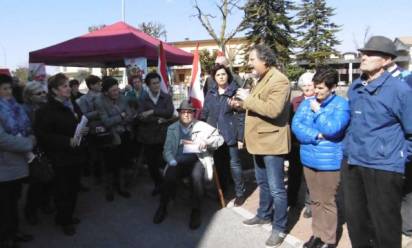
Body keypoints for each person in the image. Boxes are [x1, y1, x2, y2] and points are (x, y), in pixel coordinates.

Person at [342, 36, 412, 248]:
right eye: (363, 53)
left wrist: (398, 156)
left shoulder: (401, 91)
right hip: (353, 162)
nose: (364, 57)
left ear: (386, 60)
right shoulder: (355, 87)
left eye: (371, 54)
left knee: (385, 225)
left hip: (383, 167)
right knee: (356, 222)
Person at [232, 44, 291, 248]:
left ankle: (279, 227)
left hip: (272, 143)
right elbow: (258, 105)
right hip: (259, 142)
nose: (249, 64)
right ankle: (264, 215)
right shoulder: (262, 79)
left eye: (251, 60)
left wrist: (248, 99)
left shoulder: (280, 80)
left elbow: (273, 110)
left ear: (264, 60)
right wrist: (241, 104)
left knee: (277, 189)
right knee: (263, 183)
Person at [292, 68, 350, 248]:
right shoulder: (306, 102)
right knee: (315, 200)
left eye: (321, 88)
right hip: (309, 159)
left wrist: (318, 112)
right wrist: (317, 136)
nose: (316, 92)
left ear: (332, 87)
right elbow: (296, 125)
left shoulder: (341, 104)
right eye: (315, 87)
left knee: (327, 201)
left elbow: (333, 129)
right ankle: (317, 234)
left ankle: (329, 239)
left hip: (329, 162)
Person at [153, 100, 224, 229]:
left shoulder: (202, 126)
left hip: (198, 159)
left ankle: (196, 210)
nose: (186, 115)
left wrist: (207, 142)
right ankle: (162, 206)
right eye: (183, 112)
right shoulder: (172, 128)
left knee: (196, 177)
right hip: (178, 160)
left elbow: (220, 139)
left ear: (194, 114)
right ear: (179, 114)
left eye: (189, 112)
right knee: (169, 176)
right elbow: (167, 150)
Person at [34, 73, 89, 236]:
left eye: (68, 85)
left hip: (76, 154)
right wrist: (66, 141)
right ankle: (64, 220)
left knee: (73, 189)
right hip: (60, 158)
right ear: (54, 91)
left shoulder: (71, 104)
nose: (69, 88)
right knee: (62, 191)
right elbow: (43, 135)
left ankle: (67, 216)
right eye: (64, 86)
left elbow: (80, 121)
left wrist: (84, 129)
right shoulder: (45, 110)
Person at [201, 63, 246, 206]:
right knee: (220, 165)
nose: (221, 77)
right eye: (218, 75)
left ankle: (240, 193)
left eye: (223, 74)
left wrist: (240, 137)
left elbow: (241, 116)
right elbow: (205, 113)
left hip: (230, 134)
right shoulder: (210, 93)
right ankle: (224, 190)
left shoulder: (235, 92)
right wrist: (202, 130)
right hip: (215, 136)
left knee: (234, 165)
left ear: (228, 75)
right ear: (214, 78)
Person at [0, 74, 35, 248]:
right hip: (4, 164)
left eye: (9, 88)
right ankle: (7, 237)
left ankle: (14, 232)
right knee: (5, 204)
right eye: (4, 88)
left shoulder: (15, 106)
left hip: (18, 161)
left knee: (13, 200)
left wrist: (31, 135)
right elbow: (2, 139)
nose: (8, 92)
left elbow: (26, 126)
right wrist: (28, 143)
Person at [95, 76, 136, 201]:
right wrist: (121, 116)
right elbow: (106, 122)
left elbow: (130, 115)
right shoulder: (99, 101)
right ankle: (109, 190)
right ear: (106, 92)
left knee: (122, 163)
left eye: (117, 90)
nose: (116, 93)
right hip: (110, 137)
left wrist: (121, 118)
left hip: (124, 134)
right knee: (109, 165)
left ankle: (121, 188)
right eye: (113, 91)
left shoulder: (122, 98)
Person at [137, 72, 175, 195]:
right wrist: (158, 118)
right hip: (148, 137)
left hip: (164, 136)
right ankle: (158, 185)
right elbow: (142, 117)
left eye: (158, 82)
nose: (156, 85)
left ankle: (168, 185)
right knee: (152, 164)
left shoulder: (166, 97)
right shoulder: (143, 98)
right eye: (153, 83)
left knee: (165, 162)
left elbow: (169, 112)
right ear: (148, 85)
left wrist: (152, 111)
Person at [22, 81, 53, 225]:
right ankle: (30, 211)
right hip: (34, 149)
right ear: (29, 96)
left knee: (48, 177)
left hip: (47, 146)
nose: (43, 95)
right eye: (39, 93)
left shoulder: (46, 106)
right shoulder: (25, 110)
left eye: (43, 92)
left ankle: (45, 203)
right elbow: (25, 131)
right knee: (36, 182)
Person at [287, 71, 315, 217]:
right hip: (296, 144)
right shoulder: (295, 101)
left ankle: (309, 203)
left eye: (310, 84)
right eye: (304, 84)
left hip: (312, 144)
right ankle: (291, 199)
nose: (307, 87)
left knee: (310, 175)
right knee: (294, 173)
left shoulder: (319, 100)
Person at [76, 75, 104, 184]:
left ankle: (105, 173)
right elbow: (84, 115)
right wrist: (99, 112)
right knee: (95, 154)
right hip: (93, 129)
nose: (100, 86)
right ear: (91, 86)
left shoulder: (104, 96)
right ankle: (97, 175)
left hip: (105, 127)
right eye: (98, 84)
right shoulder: (84, 99)